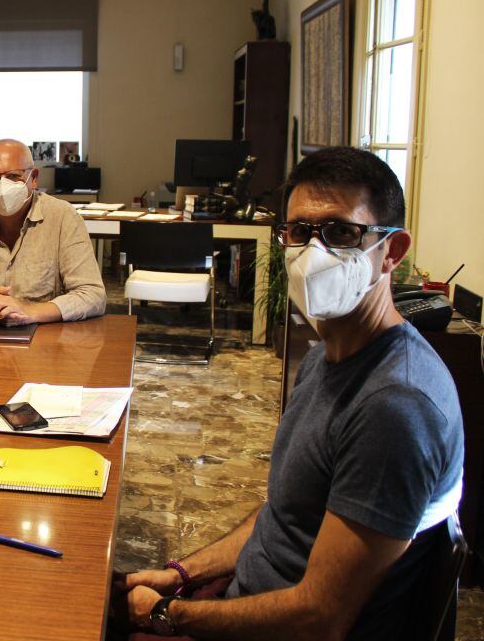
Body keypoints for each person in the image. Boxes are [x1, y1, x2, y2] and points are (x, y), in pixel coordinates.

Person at [118, 146, 463, 640]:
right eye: (300, 231)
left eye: (342, 232)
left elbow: (320, 619)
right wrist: (182, 574)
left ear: (392, 250)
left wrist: (168, 615)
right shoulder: (326, 355)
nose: (313, 252)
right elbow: (285, 514)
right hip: (251, 596)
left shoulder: (395, 408)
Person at [0, 138, 106, 325]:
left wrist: (30, 312)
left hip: (45, 337)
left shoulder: (63, 216)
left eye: (13, 176)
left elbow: (92, 294)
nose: (3, 186)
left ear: (34, 178)